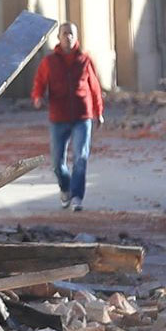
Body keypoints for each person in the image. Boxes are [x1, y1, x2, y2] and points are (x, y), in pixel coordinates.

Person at [32, 23, 106, 209]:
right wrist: (37, 97)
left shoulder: (85, 59)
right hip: (59, 117)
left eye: (71, 34)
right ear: (58, 37)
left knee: (81, 157)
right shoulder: (49, 62)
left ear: (76, 36)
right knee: (57, 163)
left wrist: (99, 112)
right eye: (64, 34)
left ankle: (77, 197)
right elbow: (39, 83)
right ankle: (65, 188)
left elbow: (95, 87)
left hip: (83, 116)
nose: (68, 37)